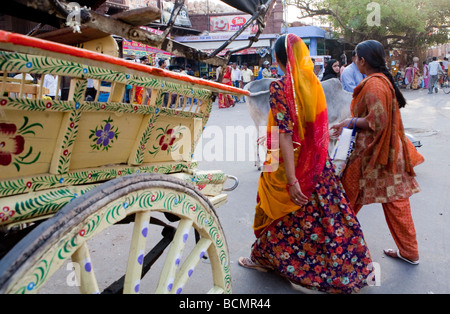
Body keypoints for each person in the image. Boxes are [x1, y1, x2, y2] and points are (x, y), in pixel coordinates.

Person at [238, 34, 374, 294]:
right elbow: (314, 129)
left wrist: (291, 179)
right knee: (327, 217)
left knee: (276, 210)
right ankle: (344, 269)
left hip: (283, 165)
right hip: (317, 163)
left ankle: (264, 259)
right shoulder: (313, 84)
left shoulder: (280, 87)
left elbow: (285, 135)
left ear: (279, 59)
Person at [330, 40, 421, 265]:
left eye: (356, 57)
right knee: (397, 204)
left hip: (372, 155)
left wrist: (347, 122)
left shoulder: (374, 85)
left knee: (345, 202)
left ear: (362, 60)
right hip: (389, 153)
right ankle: (410, 252)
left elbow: (376, 121)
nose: (354, 61)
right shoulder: (380, 81)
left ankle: (331, 248)